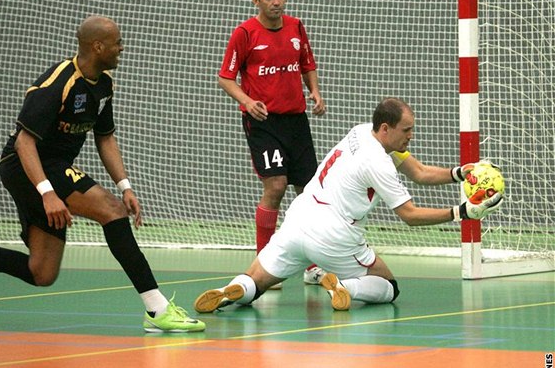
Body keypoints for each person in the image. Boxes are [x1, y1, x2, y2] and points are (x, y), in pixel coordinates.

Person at [193, 97, 504, 312]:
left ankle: (231, 291)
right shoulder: (378, 163)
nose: (412, 135)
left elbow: (419, 172)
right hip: (335, 236)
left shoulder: (360, 132)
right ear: (386, 129)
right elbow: (409, 215)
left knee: (257, 280)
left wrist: (458, 173)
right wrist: (462, 213)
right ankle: (343, 287)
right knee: (388, 287)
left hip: (299, 218)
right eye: (406, 130)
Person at [0, 15, 205, 333]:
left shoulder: (104, 84)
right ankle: (157, 309)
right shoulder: (58, 83)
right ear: (97, 46)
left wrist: (125, 185)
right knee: (111, 211)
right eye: (117, 43)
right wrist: (47, 192)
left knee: (41, 272)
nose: (122, 47)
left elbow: (104, 136)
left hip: (51, 167)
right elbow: (24, 142)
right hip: (27, 165)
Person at [218, 0, 327, 286]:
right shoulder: (244, 33)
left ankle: (313, 266)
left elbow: (307, 63)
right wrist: (246, 100)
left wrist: (316, 92)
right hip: (264, 122)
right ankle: (265, 266)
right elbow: (225, 77)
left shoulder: (296, 27)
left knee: (309, 193)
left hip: (297, 121)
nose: (276, 2)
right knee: (276, 186)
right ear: (256, 1)